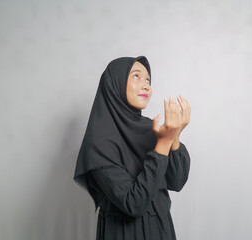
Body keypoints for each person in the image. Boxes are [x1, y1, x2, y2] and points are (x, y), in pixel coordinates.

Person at [73, 56, 191, 240]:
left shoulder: (151, 129)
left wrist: (174, 136)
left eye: (148, 80)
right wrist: (163, 143)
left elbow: (177, 181)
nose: (146, 86)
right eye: (136, 76)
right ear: (115, 83)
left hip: (161, 231)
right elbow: (134, 203)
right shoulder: (99, 143)